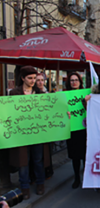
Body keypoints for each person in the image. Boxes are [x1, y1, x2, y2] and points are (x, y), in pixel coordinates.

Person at [9, 66, 47, 199]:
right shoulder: (14, 93)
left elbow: (48, 112)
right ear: (22, 78)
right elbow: (10, 112)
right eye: (30, 78)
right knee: (23, 161)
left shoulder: (40, 94)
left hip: (37, 133)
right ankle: (24, 186)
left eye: (34, 78)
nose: (33, 81)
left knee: (37, 159)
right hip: (22, 134)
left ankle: (40, 183)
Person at [65, 72, 87, 189]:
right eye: (72, 80)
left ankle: (86, 177)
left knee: (85, 155)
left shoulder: (86, 94)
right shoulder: (64, 95)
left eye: (76, 80)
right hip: (72, 130)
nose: (74, 82)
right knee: (75, 156)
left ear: (80, 81)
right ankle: (77, 178)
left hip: (84, 130)